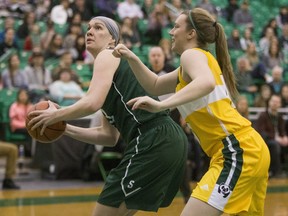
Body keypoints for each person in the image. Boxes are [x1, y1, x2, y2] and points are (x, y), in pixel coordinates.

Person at [113, 8, 270, 215]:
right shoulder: (198, 60)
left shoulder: (190, 55)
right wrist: (132, 57)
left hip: (237, 150)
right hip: (247, 148)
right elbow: (155, 84)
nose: (171, 32)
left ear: (191, 34)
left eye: (176, 26)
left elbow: (206, 83)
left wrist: (162, 105)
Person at [28, 16, 188, 216]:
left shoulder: (108, 55)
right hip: (166, 140)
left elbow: (91, 103)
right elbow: (108, 137)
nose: (89, 31)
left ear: (113, 39)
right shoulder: (109, 73)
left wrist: (55, 115)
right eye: (88, 28)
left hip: (153, 138)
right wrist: (65, 128)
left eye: (98, 27)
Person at [254, 94, 288, 178]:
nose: (275, 103)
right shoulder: (263, 115)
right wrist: (275, 138)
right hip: (266, 141)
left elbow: (282, 131)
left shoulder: (280, 117)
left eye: (277, 102)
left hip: (277, 139)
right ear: (269, 102)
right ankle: (276, 171)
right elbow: (261, 132)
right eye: (273, 101)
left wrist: (285, 137)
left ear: (280, 104)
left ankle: (285, 170)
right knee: (274, 145)